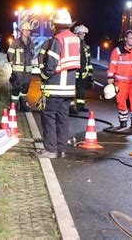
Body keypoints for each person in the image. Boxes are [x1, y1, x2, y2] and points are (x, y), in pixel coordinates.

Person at [38, 9, 81, 159]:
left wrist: (43, 76)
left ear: (56, 24)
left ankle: (50, 150)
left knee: (48, 117)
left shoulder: (57, 40)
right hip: (69, 89)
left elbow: (50, 66)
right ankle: (61, 150)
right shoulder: (75, 39)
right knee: (63, 118)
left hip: (54, 88)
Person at [107, 30, 132, 128]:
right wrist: (110, 77)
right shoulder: (117, 51)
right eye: (130, 38)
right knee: (121, 101)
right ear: (126, 39)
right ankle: (123, 120)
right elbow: (112, 64)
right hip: (121, 81)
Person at [7, 21, 35, 112]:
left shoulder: (31, 43)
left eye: (29, 30)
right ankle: (13, 107)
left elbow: (32, 55)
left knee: (25, 89)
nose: (27, 32)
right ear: (22, 31)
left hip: (27, 71)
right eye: (25, 30)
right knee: (16, 89)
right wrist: (12, 64)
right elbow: (10, 54)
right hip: (18, 71)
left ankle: (24, 105)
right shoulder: (16, 42)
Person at [70, 24, 93, 113]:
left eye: (84, 34)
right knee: (71, 90)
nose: (83, 36)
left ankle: (80, 106)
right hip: (73, 72)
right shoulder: (73, 45)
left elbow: (88, 60)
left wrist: (90, 72)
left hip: (83, 73)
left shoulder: (85, 46)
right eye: (81, 34)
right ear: (76, 34)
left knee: (82, 90)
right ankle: (71, 107)